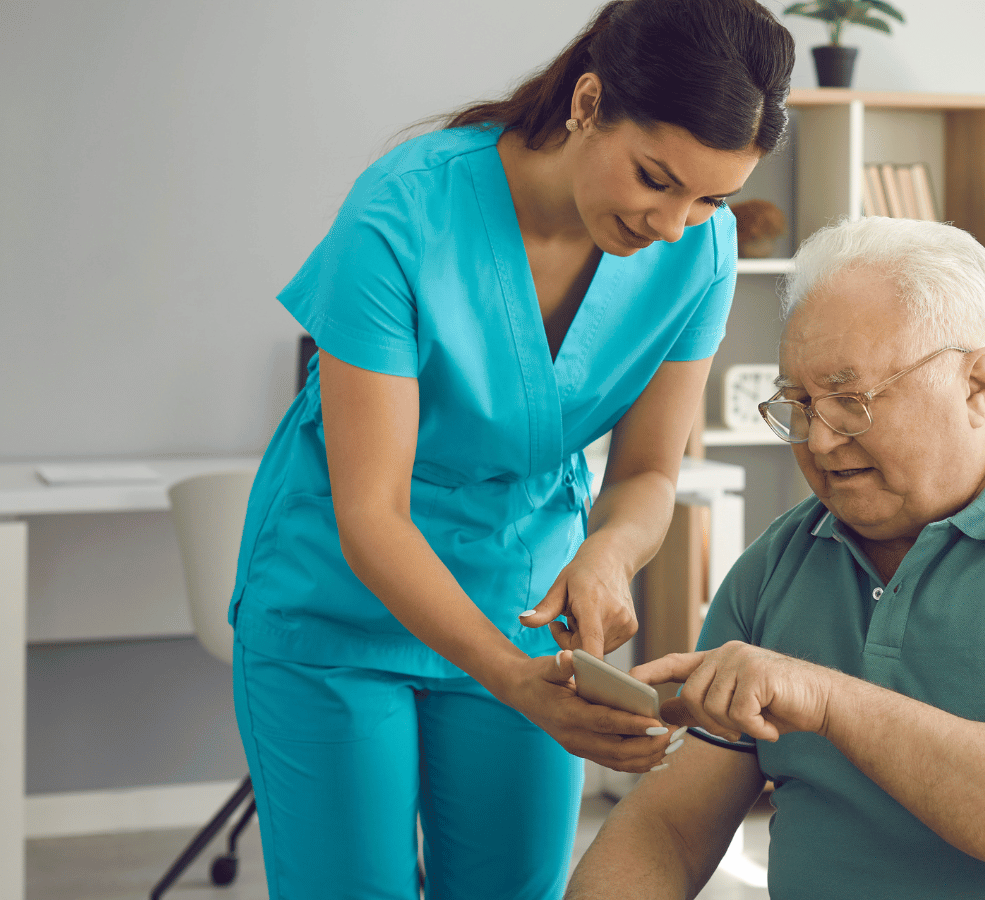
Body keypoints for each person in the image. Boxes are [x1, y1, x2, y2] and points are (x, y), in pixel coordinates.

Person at [226, 2, 793, 897]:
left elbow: (648, 471)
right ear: (588, 101)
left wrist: (607, 553)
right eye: (656, 178)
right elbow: (370, 513)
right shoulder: (403, 209)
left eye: (712, 198)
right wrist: (509, 680)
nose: (675, 225)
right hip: (338, 600)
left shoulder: (700, 252)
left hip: (520, 597)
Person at [567, 217, 985, 899]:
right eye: (799, 404)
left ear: (976, 384)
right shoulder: (774, 567)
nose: (818, 441)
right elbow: (668, 831)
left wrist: (827, 701)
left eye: (850, 402)